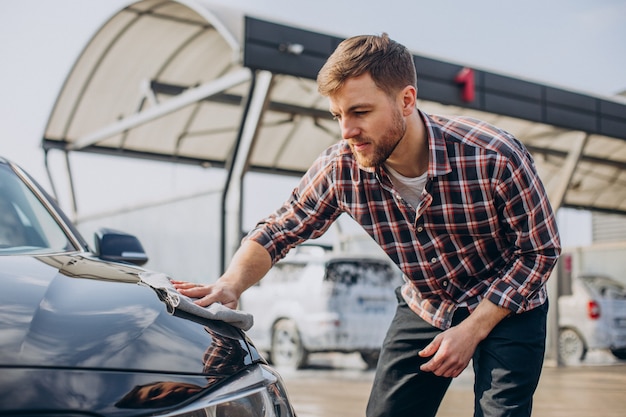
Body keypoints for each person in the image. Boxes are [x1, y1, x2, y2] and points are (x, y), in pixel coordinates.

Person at [174, 33, 561, 417]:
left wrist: (472, 330)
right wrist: (230, 283)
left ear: (406, 100)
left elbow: (540, 251)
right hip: (428, 303)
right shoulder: (341, 168)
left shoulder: (493, 156)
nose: (346, 131)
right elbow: (279, 229)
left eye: (359, 112)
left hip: (509, 305)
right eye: (338, 115)